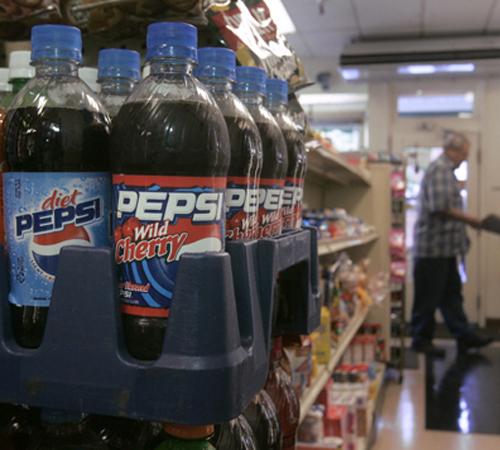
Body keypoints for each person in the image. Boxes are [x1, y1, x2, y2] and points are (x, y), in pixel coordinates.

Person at [411, 131, 493, 356]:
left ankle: (464, 336)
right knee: (427, 298)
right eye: (464, 154)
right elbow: (441, 207)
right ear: (452, 151)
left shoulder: (446, 172)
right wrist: (474, 220)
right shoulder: (439, 169)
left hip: (444, 249)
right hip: (432, 249)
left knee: (451, 295)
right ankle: (421, 340)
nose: (465, 159)